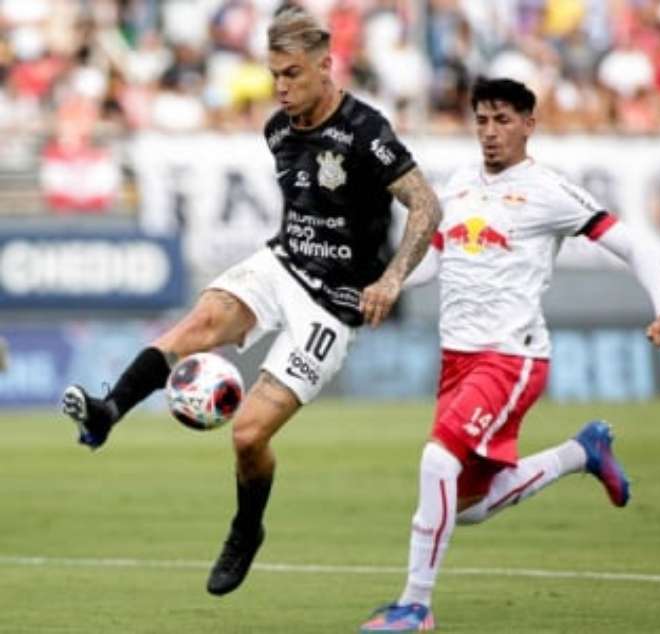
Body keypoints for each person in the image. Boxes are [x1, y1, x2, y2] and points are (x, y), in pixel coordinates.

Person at [61, 6, 441, 597]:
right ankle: (109, 410)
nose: (281, 88)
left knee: (247, 437)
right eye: (274, 76)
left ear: (325, 67)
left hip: (332, 305)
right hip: (282, 263)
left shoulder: (366, 131)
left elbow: (425, 205)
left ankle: (246, 526)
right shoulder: (278, 131)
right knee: (203, 318)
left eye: (292, 74)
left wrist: (390, 279)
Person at [359, 78, 660, 632]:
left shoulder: (548, 190)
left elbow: (633, 244)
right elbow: (438, 262)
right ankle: (582, 452)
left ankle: (415, 606)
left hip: (512, 357)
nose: (490, 132)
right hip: (456, 360)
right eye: (482, 119)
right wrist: (385, 284)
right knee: (468, 506)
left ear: (529, 124)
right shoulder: (458, 184)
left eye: (503, 120)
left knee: (437, 461)